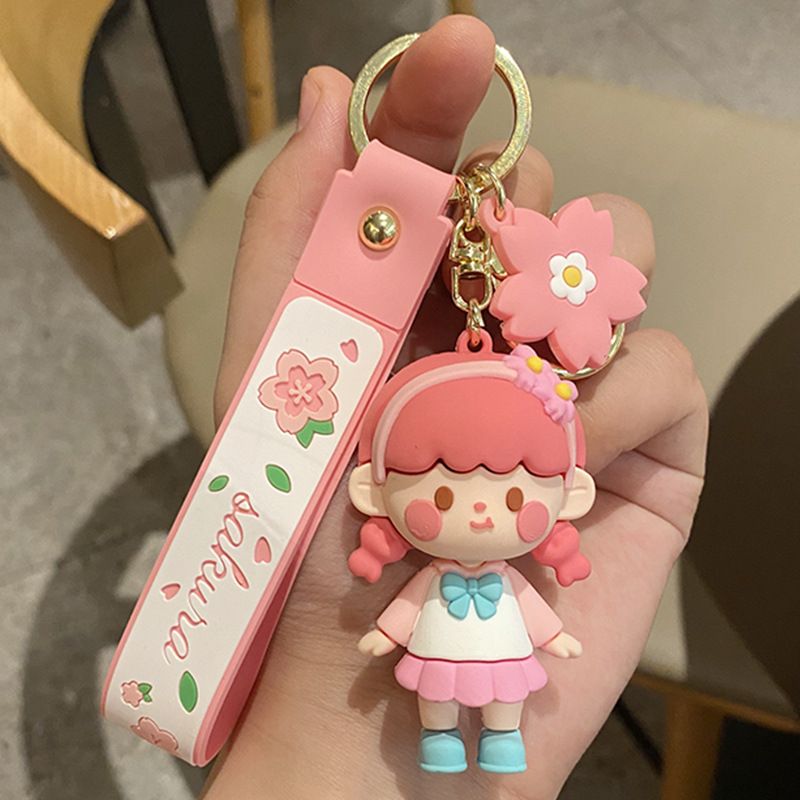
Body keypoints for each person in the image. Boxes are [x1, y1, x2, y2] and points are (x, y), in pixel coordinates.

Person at [203, 14, 708, 799]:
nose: (476, 512)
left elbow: (535, 622)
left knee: (502, 709)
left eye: (510, 494)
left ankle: (498, 744)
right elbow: (401, 618)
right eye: (440, 496)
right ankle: (441, 745)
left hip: (493, 657)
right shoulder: (440, 567)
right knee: (439, 708)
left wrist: (553, 638)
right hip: (428, 662)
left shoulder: (505, 573)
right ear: (373, 491)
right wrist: (357, 653)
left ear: (571, 493)